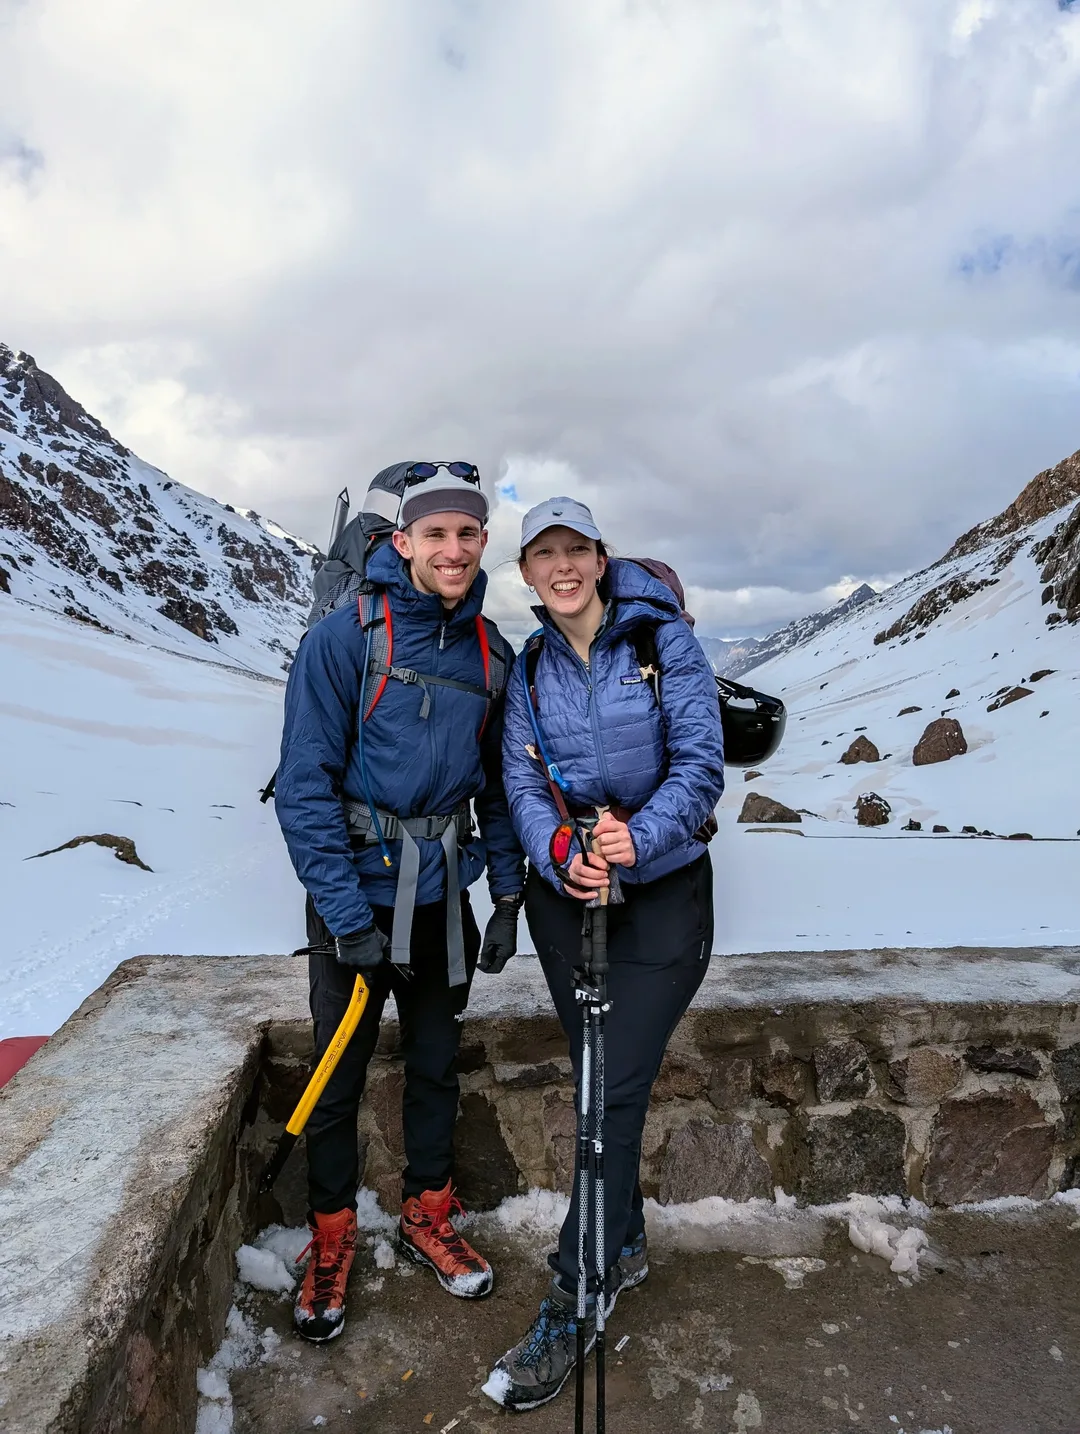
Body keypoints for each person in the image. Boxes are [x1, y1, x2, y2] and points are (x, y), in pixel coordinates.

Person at [483, 497, 725, 1411]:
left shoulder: (661, 644)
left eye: (574, 550)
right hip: (571, 904)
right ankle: (619, 1248)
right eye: (543, 555)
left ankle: (573, 1294)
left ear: (599, 556)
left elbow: (700, 761)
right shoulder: (533, 668)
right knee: (598, 1085)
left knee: (608, 1092)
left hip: (663, 899)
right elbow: (520, 781)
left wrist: (641, 838)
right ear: (529, 574)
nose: (562, 568)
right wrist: (558, 854)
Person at [275, 463, 525, 1343]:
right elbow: (304, 787)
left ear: (483, 543)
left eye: (468, 534)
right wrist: (345, 919)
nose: (452, 550)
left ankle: (429, 1216)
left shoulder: (492, 654)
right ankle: (332, 1238)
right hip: (354, 898)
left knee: (433, 1065)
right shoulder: (343, 642)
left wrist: (506, 894)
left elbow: (496, 789)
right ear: (404, 541)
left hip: (438, 903)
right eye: (436, 535)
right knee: (337, 1078)